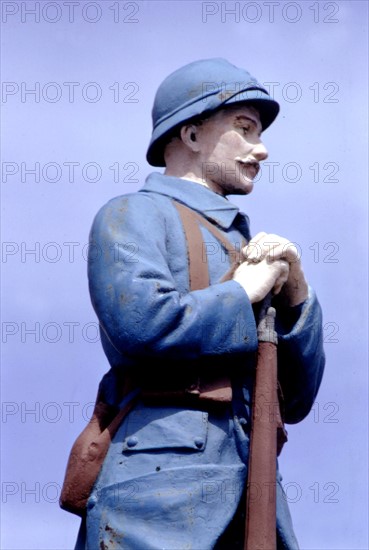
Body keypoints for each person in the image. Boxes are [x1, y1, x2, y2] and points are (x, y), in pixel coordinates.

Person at [74, 58, 325, 549]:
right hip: (157, 495)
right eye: (245, 128)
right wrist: (242, 294)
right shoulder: (131, 215)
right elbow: (143, 323)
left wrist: (296, 299)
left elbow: (294, 401)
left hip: (257, 497)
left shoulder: (249, 245)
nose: (262, 149)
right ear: (190, 135)